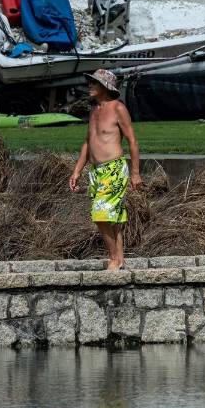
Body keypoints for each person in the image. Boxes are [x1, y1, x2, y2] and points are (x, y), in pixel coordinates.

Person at [69, 69, 142, 270]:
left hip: (114, 169)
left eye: (94, 83)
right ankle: (120, 261)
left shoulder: (117, 108)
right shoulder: (94, 112)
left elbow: (133, 141)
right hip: (96, 171)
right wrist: (77, 171)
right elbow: (87, 143)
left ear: (105, 87)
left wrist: (135, 173)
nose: (89, 87)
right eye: (90, 83)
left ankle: (113, 258)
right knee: (113, 218)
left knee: (100, 215)